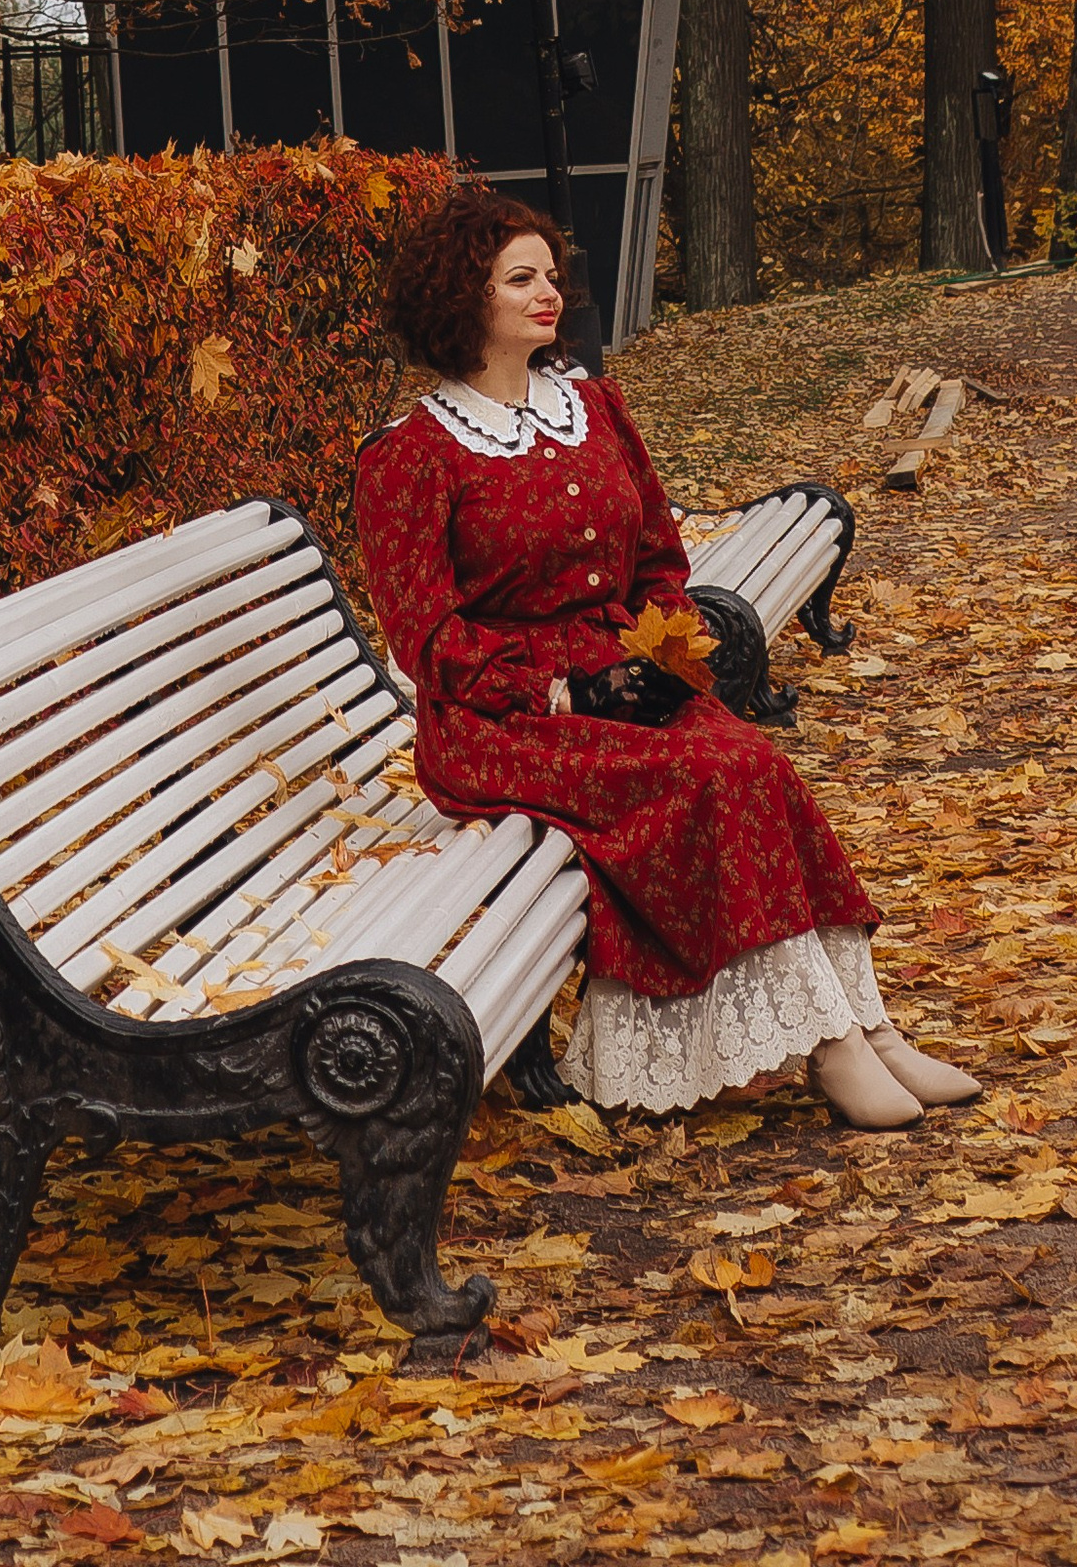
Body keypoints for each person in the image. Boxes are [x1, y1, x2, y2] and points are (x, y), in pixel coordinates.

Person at [354, 186, 981, 1127]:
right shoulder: (414, 455)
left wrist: (668, 658)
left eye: (550, 275)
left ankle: (869, 1024)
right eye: (519, 278)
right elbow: (427, 638)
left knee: (752, 760)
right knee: (717, 772)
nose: (547, 292)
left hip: (625, 683)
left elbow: (657, 556)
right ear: (462, 297)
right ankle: (835, 1045)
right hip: (502, 724)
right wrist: (564, 688)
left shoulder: (592, 407)